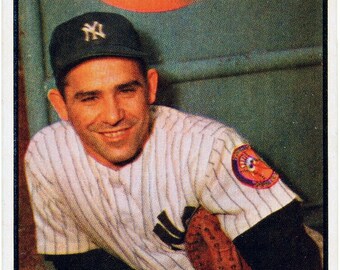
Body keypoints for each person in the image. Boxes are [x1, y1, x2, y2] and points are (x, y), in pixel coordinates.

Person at [24, 12, 322, 269]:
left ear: (150, 88)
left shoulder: (206, 147)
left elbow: (293, 257)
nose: (113, 115)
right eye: (90, 98)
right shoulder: (48, 155)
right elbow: (79, 262)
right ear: (60, 105)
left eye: (127, 90)